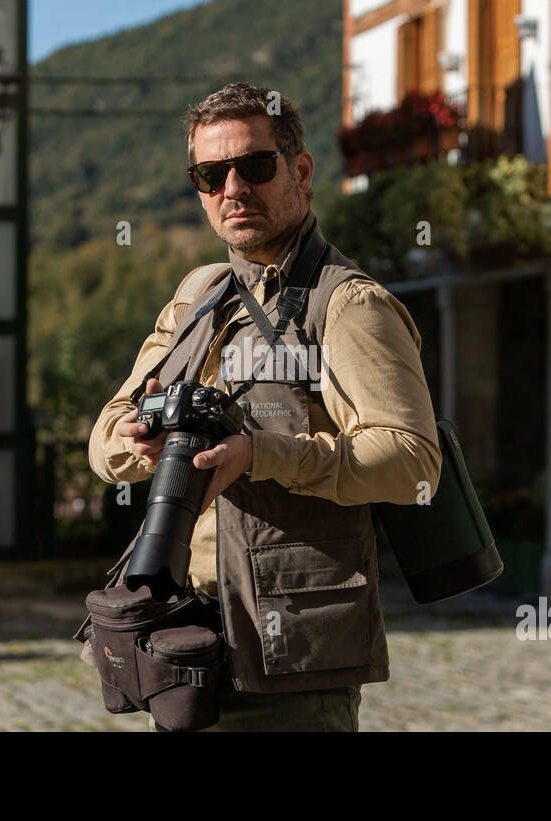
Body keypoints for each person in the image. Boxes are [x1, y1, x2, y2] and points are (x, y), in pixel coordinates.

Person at [87, 82, 441, 731]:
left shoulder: (349, 304)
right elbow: (104, 439)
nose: (232, 188)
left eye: (254, 166)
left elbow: (413, 462)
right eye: (210, 173)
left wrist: (264, 454)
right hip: (184, 642)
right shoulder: (199, 293)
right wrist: (141, 437)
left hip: (292, 655)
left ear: (300, 171)